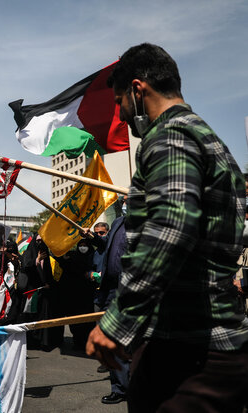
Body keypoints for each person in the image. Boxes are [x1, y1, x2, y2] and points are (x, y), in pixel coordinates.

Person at [86, 43, 248, 413]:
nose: (120, 113)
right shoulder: (211, 141)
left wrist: (116, 322)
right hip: (208, 348)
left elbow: (170, 230)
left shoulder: (170, 136)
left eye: (119, 101)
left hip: (188, 355)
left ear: (138, 90)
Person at [83, 203, 130, 404]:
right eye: (124, 200)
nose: (125, 204)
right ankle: (119, 388)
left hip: (129, 291)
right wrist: (91, 237)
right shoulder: (118, 222)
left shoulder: (146, 224)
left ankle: (132, 385)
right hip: (110, 291)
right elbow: (105, 246)